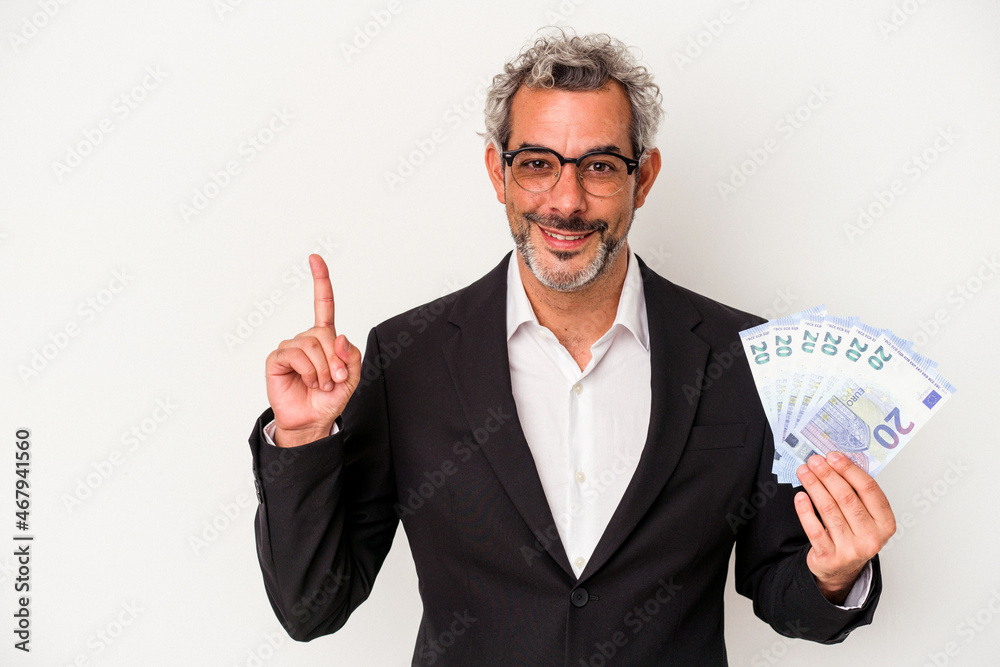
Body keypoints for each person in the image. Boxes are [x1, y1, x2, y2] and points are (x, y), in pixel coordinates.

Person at [247, 30, 896, 665]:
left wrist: (835, 574)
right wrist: (303, 440)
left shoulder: (743, 360)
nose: (566, 200)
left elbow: (785, 592)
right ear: (498, 173)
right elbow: (311, 606)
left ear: (643, 179)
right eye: (537, 163)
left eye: (600, 166)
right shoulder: (408, 357)